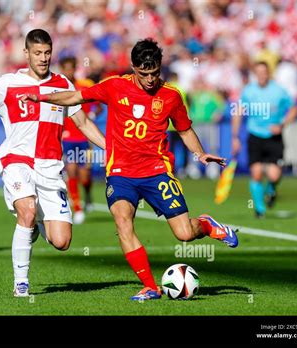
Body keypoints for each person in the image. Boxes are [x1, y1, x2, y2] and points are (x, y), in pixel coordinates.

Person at [22, 38, 239, 301]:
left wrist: (199, 152)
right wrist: (41, 97)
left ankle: (206, 224)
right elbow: (75, 96)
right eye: (144, 74)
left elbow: (184, 128)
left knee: (184, 233)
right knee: (123, 222)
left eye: (155, 73)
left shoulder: (171, 95)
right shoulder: (115, 86)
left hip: (157, 170)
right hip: (121, 173)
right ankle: (150, 286)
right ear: (134, 68)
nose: (150, 79)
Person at [0, 29, 105, 297]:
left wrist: (111, 148)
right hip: (17, 160)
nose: (43, 58)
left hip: (50, 167)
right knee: (26, 209)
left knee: (61, 242)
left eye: (47, 53)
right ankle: (21, 283)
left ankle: (36, 225)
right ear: (26, 53)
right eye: (37, 53)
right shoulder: (7, 83)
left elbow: (83, 122)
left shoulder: (63, 84)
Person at [232, 61, 297, 218]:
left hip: (274, 137)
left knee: (274, 175)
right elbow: (238, 112)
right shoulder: (248, 91)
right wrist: (235, 137)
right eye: (258, 72)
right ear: (255, 74)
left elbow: (294, 109)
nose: (262, 75)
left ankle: (271, 190)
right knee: (256, 173)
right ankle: (259, 210)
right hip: (255, 135)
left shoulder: (279, 91)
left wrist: (282, 125)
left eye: (264, 72)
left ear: (269, 73)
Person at [59, 56, 96, 224]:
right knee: (71, 171)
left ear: (74, 69)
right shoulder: (58, 90)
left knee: (85, 174)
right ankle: (78, 209)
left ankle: (87, 193)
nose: (68, 72)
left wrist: (93, 114)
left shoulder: (85, 85)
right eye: (65, 69)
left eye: (70, 68)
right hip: (68, 139)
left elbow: (98, 103)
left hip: (84, 137)